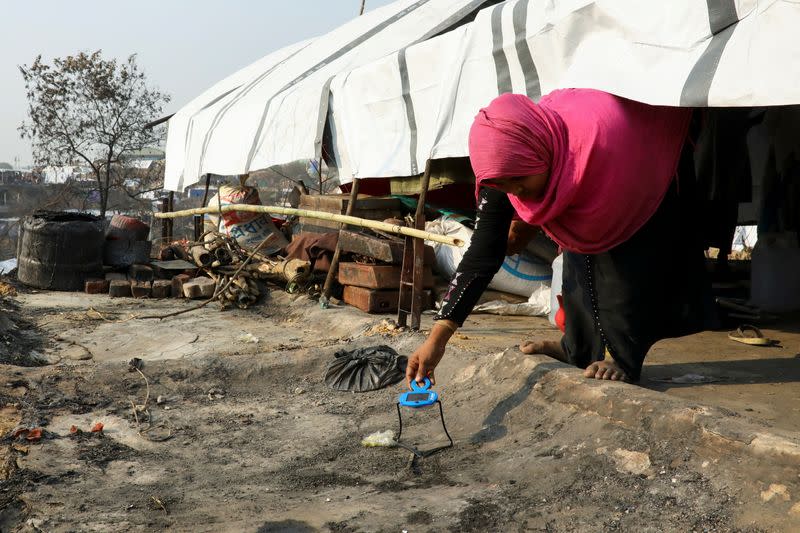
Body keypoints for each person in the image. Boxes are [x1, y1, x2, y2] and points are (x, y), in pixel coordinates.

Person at [406, 89, 716, 386]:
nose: (516, 194)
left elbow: (625, 261)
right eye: (503, 186)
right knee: (576, 250)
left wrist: (621, 355)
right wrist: (437, 340)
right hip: (585, 153)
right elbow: (483, 253)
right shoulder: (506, 168)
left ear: (538, 155)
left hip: (638, 155)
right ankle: (578, 348)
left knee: (621, 260)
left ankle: (622, 356)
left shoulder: (600, 150)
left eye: (518, 182)